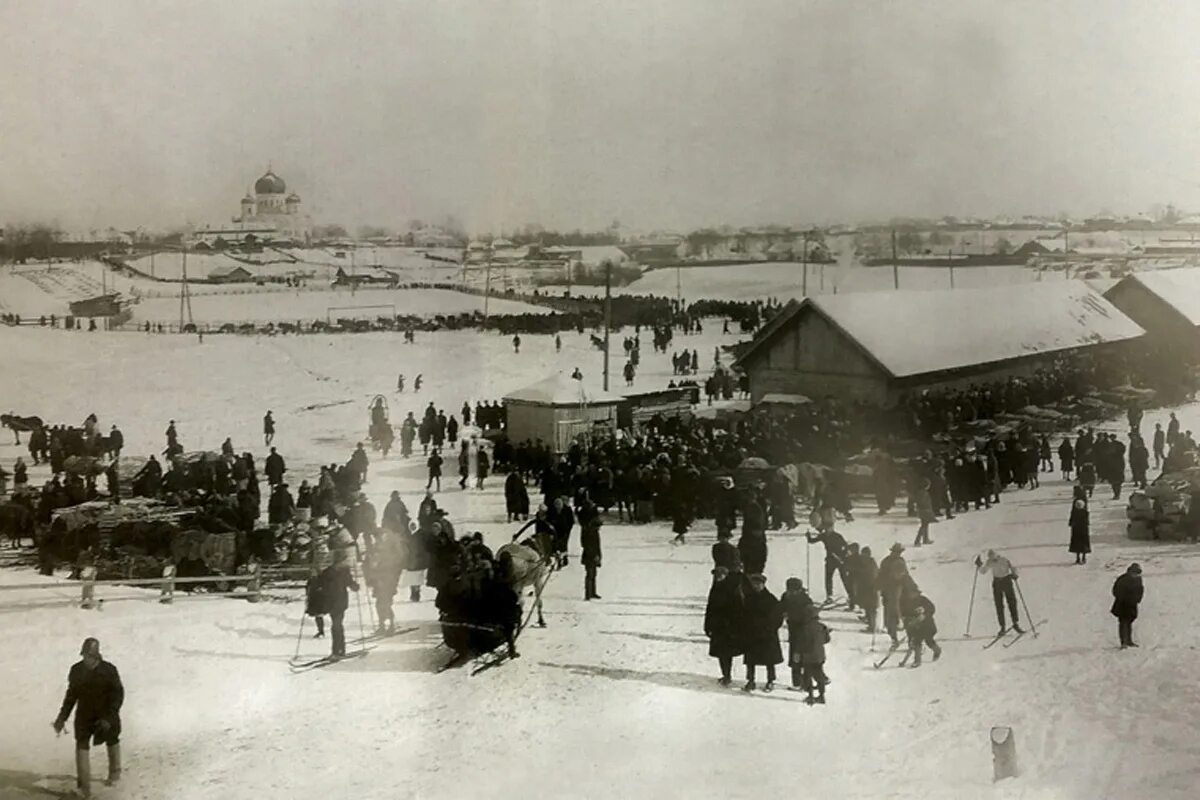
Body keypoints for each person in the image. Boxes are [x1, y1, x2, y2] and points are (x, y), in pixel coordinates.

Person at [52, 638, 124, 796]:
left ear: (97, 656)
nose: (87, 659)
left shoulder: (109, 670)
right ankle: (84, 788)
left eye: (90, 656)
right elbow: (71, 696)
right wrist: (62, 718)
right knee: (81, 745)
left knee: (112, 739)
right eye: (84, 655)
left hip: (106, 713)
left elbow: (117, 695)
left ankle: (115, 773)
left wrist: (109, 717)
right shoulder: (76, 670)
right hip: (85, 715)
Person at [741, 573, 783, 692]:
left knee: (769, 660)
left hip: (767, 635)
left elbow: (778, 617)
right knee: (751, 660)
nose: (756, 586)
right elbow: (743, 614)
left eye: (758, 584)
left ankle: (770, 681)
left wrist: (771, 629)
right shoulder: (748, 598)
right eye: (754, 584)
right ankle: (751, 681)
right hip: (752, 633)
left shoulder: (771, 599)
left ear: (763, 584)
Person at [704, 566, 744, 686]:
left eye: (720, 575)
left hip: (729, 627)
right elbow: (709, 608)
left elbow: (739, 609)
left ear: (725, 576)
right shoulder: (715, 589)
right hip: (717, 627)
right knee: (722, 654)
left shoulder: (733, 590)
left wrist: (737, 625)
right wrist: (707, 626)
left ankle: (728, 676)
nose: (718, 577)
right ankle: (726, 675)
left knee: (727, 653)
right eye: (716, 575)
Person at [321, 545, 360, 658]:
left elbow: (351, 584)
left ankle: (338, 650)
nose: (344, 563)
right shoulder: (327, 573)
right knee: (336, 625)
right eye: (343, 560)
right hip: (331, 602)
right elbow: (322, 586)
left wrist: (356, 586)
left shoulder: (344, 572)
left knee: (336, 625)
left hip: (340, 603)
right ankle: (338, 650)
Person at [976, 549, 1023, 635]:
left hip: (1006, 580)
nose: (993, 560)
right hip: (997, 583)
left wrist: (1014, 574)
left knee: (1012, 602)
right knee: (999, 605)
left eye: (994, 558)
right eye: (991, 559)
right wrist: (979, 565)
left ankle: (1015, 623)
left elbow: (1013, 568)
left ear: (997, 556)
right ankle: (1002, 627)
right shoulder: (989, 562)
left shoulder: (1004, 559)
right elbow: (983, 571)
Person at [779, 577, 813, 689]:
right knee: (795, 658)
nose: (790, 592)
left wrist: (791, 616)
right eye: (789, 590)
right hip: (793, 632)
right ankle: (797, 683)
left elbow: (809, 616)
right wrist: (782, 613)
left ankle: (807, 682)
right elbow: (781, 607)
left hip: (804, 632)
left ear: (799, 590)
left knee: (804, 658)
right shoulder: (786, 596)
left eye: (793, 591)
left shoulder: (806, 600)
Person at [795, 604, 830, 704]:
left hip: (808, 656)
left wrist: (797, 654)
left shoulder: (804, 628)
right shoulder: (822, 626)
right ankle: (821, 695)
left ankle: (810, 696)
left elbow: (801, 643)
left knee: (807, 676)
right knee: (819, 676)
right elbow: (827, 640)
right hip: (819, 656)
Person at [1111, 563, 1144, 648]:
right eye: (1134, 572)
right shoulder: (1123, 579)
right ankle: (1123, 642)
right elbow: (1116, 590)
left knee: (1129, 622)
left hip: (1132, 605)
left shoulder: (1138, 580)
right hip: (1122, 605)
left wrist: (1137, 599)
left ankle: (1129, 640)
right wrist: (1123, 598)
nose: (1135, 574)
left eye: (1137, 573)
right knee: (1123, 623)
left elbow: (1140, 590)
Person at [580, 495, 603, 600]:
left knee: (593, 574)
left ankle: (592, 592)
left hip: (593, 555)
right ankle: (588, 593)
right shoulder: (589, 533)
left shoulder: (593, 532)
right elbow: (587, 545)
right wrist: (595, 555)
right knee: (590, 574)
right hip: (590, 555)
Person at [1069, 485, 1090, 565]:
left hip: (1076, 528)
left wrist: (1071, 522)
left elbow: (1072, 513)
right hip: (1083, 529)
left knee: (1076, 543)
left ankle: (1078, 558)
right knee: (1084, 542)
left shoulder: (1075, 501)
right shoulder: (1085, 511)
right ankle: (1084, 557)